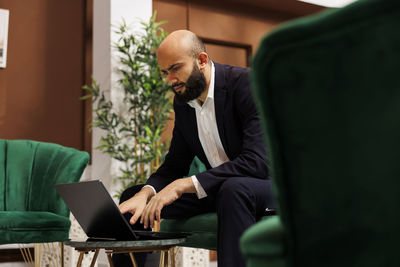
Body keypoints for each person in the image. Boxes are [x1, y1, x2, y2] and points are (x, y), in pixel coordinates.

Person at [115, 30, 275, 267]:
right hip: (220, 188)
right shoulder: (183, 102)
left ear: (201, 60)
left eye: (176, 68)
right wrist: (146, 194)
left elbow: (257, 162)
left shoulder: (246, 84)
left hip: (268, 185)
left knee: (234, 188)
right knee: (133, 198)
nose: (171, 80)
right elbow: (174, 165)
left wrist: (185, 184)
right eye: (165, 72)